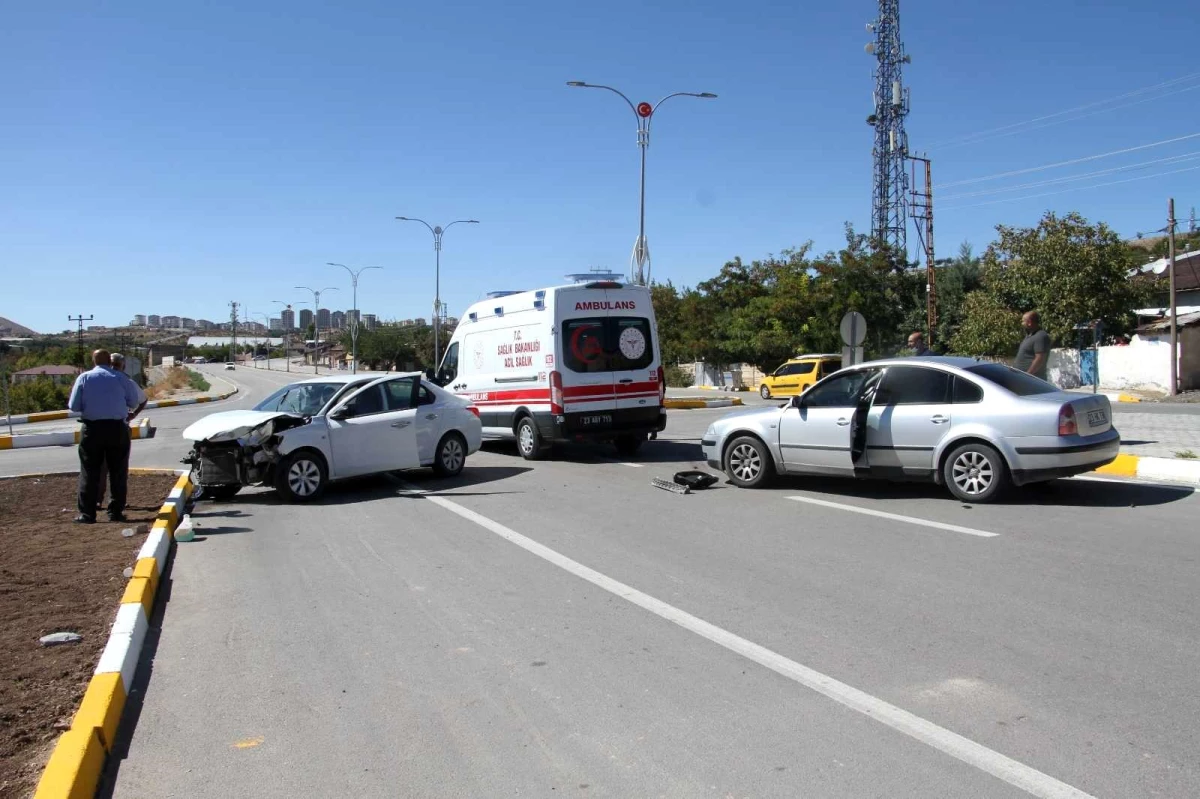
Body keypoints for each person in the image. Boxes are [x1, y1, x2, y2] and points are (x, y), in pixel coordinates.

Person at [68, 349, 143, 524]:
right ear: (110, 361)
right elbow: (133, 402)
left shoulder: (84, 378)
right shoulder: (121, 378)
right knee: (118, 471)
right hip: (117, 428)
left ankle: (87, 514)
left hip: (92, 429)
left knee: (90, 471)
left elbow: (74, 405)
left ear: (93, 361)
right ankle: (115, 512)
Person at [96, 353, 148, 510]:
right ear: (123, 365)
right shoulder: (125, 380)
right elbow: (141, 399)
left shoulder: (95, 379)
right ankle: (116, 503)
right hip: (119, 427)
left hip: (98, 428)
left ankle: (98, 500)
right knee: (118, 468)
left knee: (100, 467)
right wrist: (133, 414)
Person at [1014, 311, 1051, 381]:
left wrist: (1028, 375)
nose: (1022, 324)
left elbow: (1040, 358)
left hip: (1033, 381)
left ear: (1029, 322)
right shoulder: (1029, 336)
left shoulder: (1040, 336)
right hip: (1022, 379)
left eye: (1023, 321)